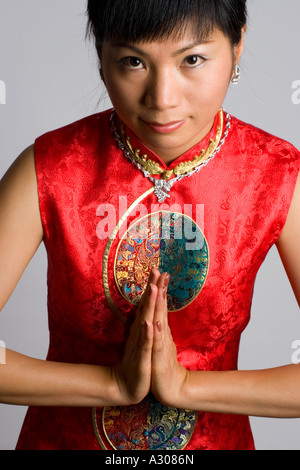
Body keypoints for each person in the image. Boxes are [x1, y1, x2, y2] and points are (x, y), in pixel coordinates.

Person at [0, 0, 299, 451]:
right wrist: (113, 386)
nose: (162, 98)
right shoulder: (52, 166)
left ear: (237, 47)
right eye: (133, 62)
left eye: (192, 60)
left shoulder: (277, 173)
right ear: (101, 59)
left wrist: (184, 388)